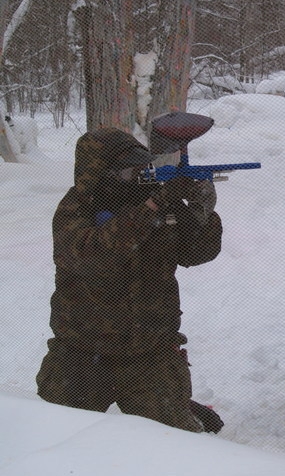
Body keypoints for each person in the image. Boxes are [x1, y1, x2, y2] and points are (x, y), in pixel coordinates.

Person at [36, 127, 224, 433]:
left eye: (139, 168)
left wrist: (202, 212)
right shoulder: (76, 209)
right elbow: (89, 255)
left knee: (176, 449)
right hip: (81, 353)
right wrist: (150, 209)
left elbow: (196, 253)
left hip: (150, 350)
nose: (135, 177)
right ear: (99, 174)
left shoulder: (157, 199)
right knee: (53, 440)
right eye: (126, 171)